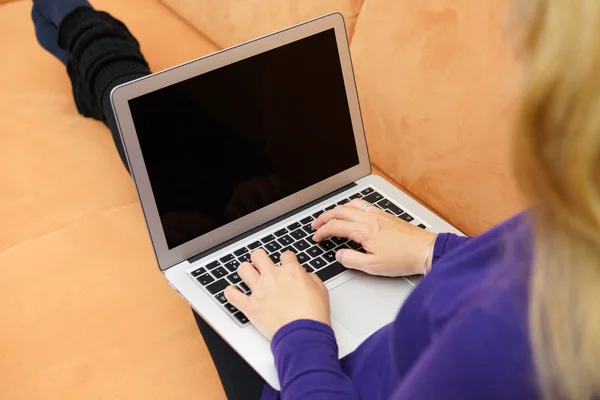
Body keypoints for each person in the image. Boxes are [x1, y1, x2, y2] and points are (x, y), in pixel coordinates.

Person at [31, 0, 600, 398]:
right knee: (237, 166)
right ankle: (95, 48)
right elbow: (526, 259)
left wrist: (297, 330)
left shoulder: (511, 341)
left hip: (309, 374)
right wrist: (433, 250)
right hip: (356, 338)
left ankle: (85, 32)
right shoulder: (579, 225)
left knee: (175, 159)